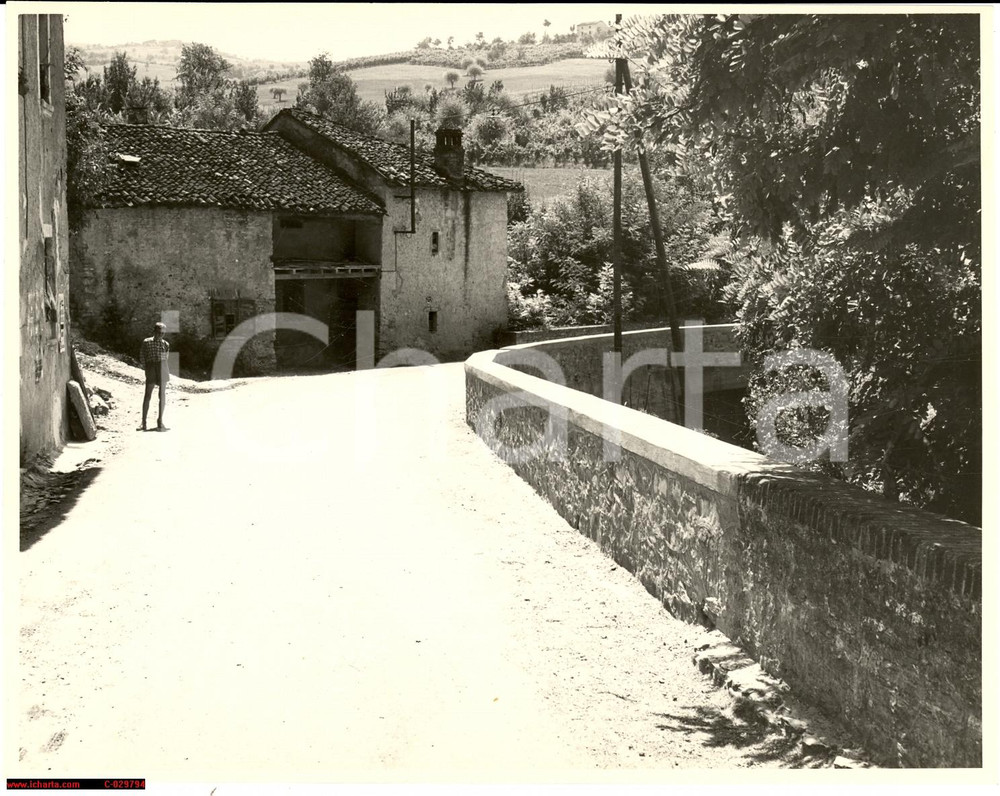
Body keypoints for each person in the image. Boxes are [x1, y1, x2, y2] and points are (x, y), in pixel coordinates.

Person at [139, 322, 170, 431]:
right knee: (148, 394)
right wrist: (147, 368)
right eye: (159, 333)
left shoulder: (165, 344)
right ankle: (143, 422)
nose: (160, 335)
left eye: (163, 333)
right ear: (154, 332)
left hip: (162, 368)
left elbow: (166, 357)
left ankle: (160, 420)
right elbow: (142, 356)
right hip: (151, 367)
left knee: (162, 395)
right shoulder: (147, 342)